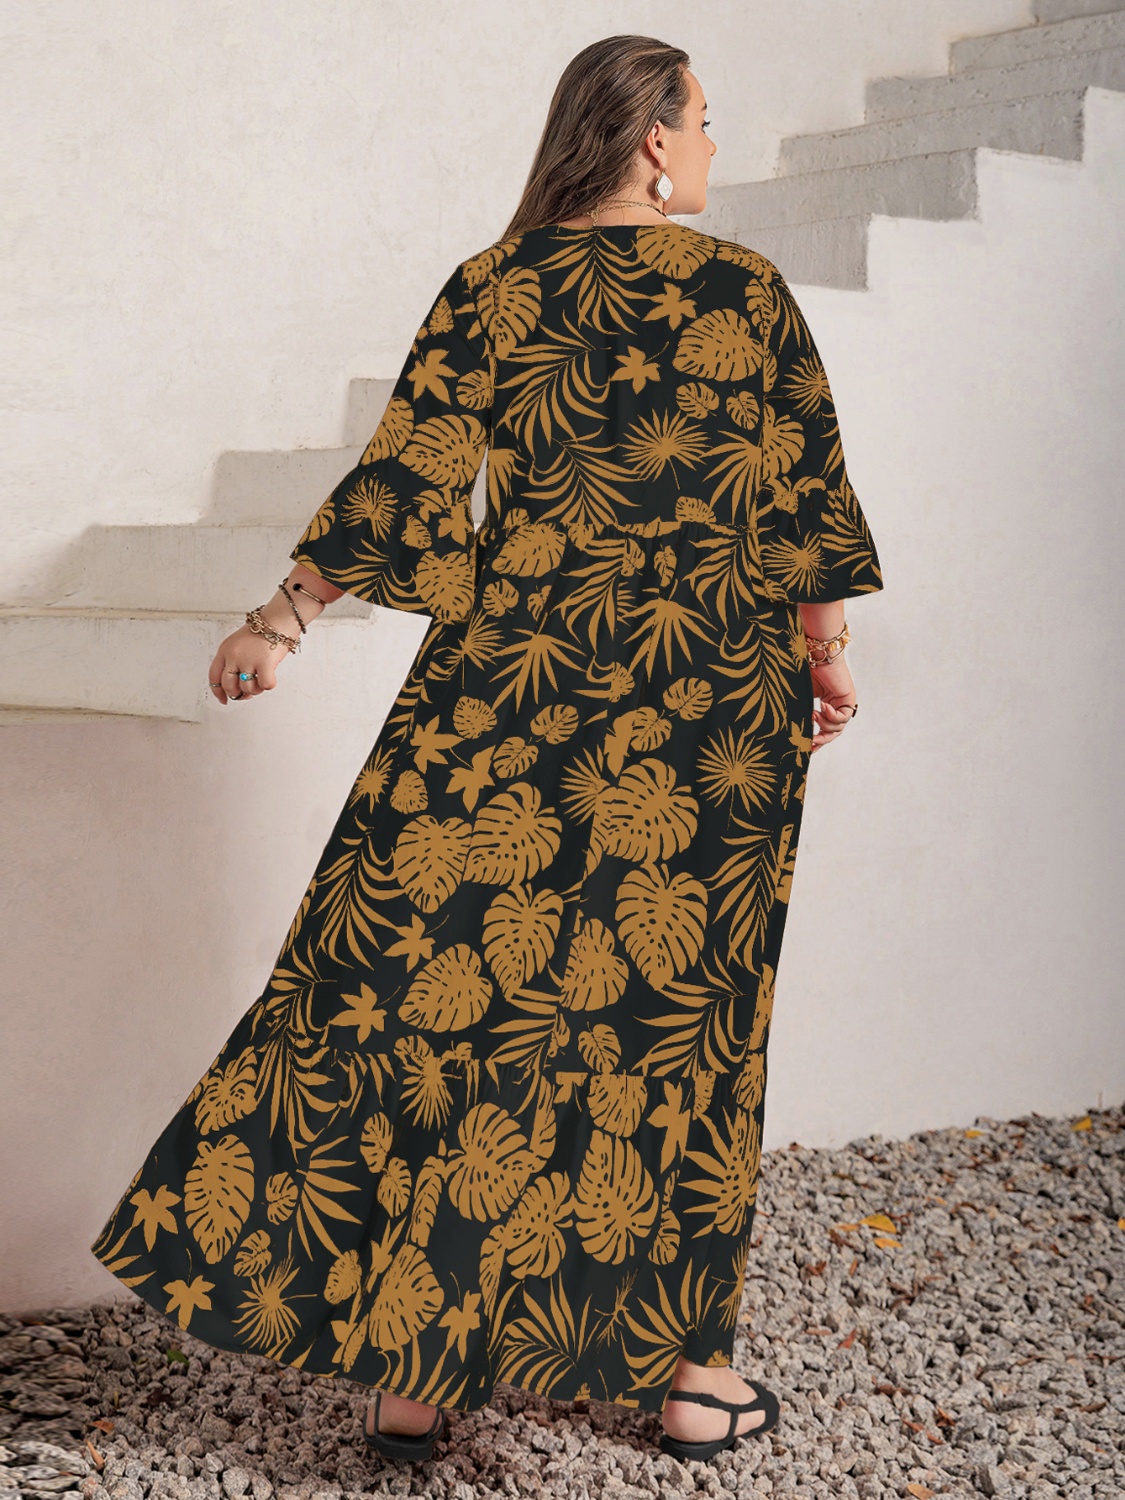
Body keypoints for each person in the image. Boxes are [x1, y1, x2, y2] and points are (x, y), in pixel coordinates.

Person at [90, 34, 883, 1468]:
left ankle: (418, 1376)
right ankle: (691, 1376)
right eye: (705, 121)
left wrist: (282, 620)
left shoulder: (495, 284)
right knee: (674, 1028)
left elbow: (411, 470)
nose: (712, 145)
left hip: (516, 694)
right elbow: (803, 501)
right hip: (707, 709)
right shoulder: (745, 293)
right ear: (652, 139)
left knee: (444, 1003)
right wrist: (823, 654)